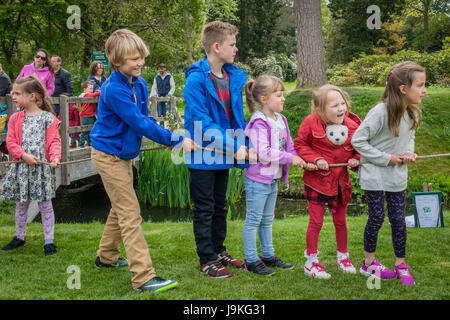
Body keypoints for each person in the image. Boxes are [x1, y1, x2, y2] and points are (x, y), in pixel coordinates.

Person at [89, 29, 197, 292]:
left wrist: (174, 136)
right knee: (130, 214)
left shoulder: (138, 83)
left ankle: (106, 257)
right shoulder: (113, 89)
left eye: (141, 57)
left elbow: (146, 119)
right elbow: (138, 123)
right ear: (116, 61)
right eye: (132, 59)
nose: (139, 63)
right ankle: (144, 278)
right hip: (108, 155)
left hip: (124, 156)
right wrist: (174, 139)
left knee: (120, 207)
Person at [183, 21, 249, 278]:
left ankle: (219, 250)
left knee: (220, 205)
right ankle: (207, 258)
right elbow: (202, 125)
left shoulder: (232, 77)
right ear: (217, 46)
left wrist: (244, 145)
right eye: (232, 44)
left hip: (225, 155)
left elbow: (237, 119)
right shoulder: (196, 81)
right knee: (205, 208)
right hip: (202, 156)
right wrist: (235, 147)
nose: (236, 49)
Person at [351, 61, 426, 286]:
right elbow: (358, 140)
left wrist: (408, 154)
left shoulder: (412, 113)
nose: (424, 90)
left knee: (398, 221)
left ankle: (401, 265)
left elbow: (408, 140)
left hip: (397, 178)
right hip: (374, 176)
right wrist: (386, 158)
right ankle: (369, 263)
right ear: (403, 89)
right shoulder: (380, 112)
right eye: (420, 85)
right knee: (376, 218)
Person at [294, 84, 361, 280]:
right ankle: (311, 262)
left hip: (341, 184)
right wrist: (315, 159)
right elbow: (300, 144)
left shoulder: (352, 126)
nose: (340, 108)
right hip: (317, 182)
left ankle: (343, 257)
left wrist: (356, 159)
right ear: (320, 110)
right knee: (316, 222)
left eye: (342, 103)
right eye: (334, 105)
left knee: (340, 221)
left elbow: (360, 146)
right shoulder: (310, 122)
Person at [242, 75, 305, 276]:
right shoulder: (258, 122)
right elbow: (264, 152)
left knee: (267, 220)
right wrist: (289, 158)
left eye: (282, 94)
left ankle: (268, 256)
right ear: (264, 99)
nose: (283, 98)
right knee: (253, 220)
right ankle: (252, 260)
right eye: (278, 95)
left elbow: (290, 147)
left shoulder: (281, 119)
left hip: (272, 179)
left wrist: (299, 159)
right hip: (257, 179)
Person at [1, 76, 60, 255]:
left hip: (41, 170)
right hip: (22, 168)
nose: (13, 97)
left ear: (32, 96)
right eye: (13, 93)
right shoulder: (15, 118)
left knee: (45, 205)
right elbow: (10, 142)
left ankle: (49, 241)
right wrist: (23, 155)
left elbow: (54, 141)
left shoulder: (48, 118)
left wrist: (55, 158)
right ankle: (20, 237)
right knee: (21, 204)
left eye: (17, 94)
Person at [150, 63, 175, 127]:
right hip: (159, 97)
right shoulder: (156, 77)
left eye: (162, 68)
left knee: (168, 113)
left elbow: (173, 87)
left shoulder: (169, 76)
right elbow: (154, 88)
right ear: (158, 69)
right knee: (160, 113)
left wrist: (169, 94)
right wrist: (155, 96)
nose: (161, 70)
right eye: (159, 69)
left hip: (167, 97)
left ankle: (170, 126)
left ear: (165, 69)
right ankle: (161, 126)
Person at [79, 81, 100, 148]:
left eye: (92, 88)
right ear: (84, 89)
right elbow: (93, 95)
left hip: (91, 115)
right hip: (86, 116)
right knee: (85, 131)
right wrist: (100, 92)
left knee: (90, 130)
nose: (92, 90)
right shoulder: (85, 95)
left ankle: (89, 144)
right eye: (90, 88)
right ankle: (81, 145)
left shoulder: (89, 95)